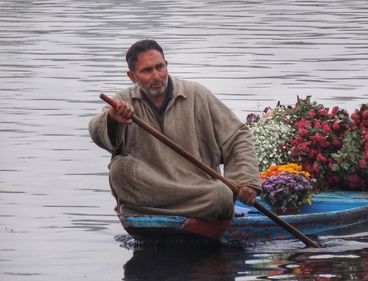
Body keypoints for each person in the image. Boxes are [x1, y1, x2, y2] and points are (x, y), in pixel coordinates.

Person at [89, 39, 260, 221]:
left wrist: (245, 181)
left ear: (167, 65)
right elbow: (96, 130)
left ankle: (148, 210)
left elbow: (237, 136)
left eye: (159, 67)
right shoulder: (123, 101)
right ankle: (181, 211)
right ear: (132, 76)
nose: (156, 76)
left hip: (195, 188)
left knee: (221, 194)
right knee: (119, 170)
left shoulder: (196, 95)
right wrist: (113, 119)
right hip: (151, 187)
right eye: (147, 70)